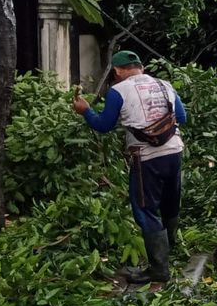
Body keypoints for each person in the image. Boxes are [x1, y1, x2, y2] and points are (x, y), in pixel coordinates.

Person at [73, 51, 188, 284]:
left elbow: (104, 125)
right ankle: (171, 252)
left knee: (145, 209)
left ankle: (159, 270)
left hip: (146, 157)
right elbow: (182, 117)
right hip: (174, 151)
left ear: (117, 71)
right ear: (141, 67)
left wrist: (86, 110)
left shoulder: (118, 91)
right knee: (170, 202)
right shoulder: (164, 84)